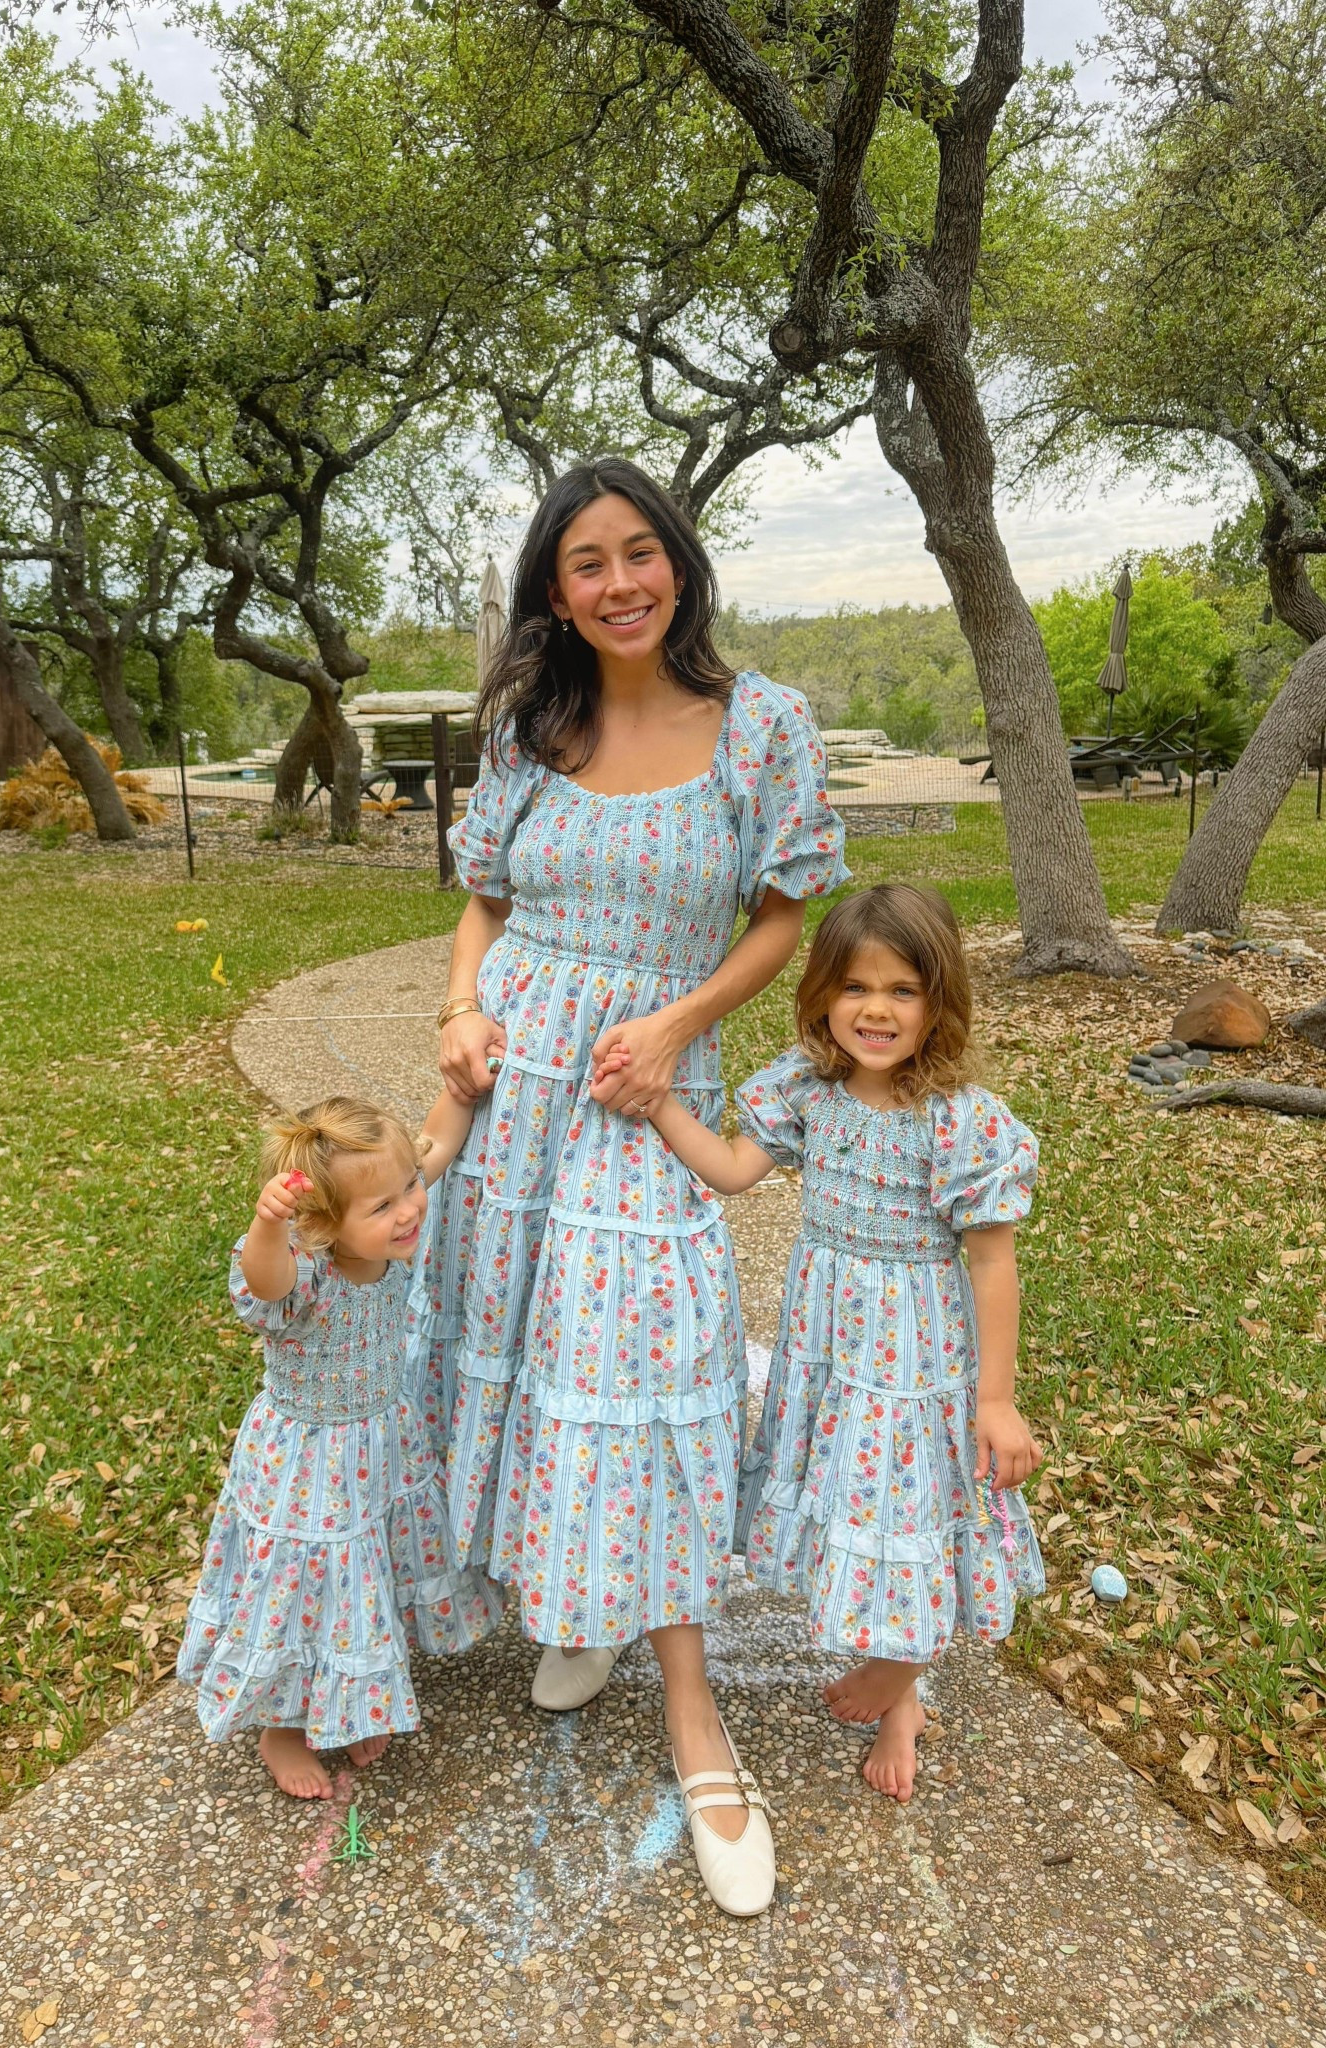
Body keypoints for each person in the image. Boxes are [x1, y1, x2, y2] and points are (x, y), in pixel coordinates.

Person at [409, 456, 847, 1914]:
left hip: (647, 1094)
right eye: (584, 562)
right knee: (536, 1357)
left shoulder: (762, 726)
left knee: (646, 1369)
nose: (617, 583)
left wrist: (676, 1027)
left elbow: (787, 914)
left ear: (682, 564)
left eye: (639, 552)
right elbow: (486, 899)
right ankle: (580, 1602)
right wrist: (462, 1011)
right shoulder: (534, 731)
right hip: (518, 1084)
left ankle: (695, 1717)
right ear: (555, 589)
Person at [608, 881, 1044, 1804]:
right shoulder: (809, 1089)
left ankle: (897, 1687)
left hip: (913, 1359)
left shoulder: (960, 1121)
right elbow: (731, 1170)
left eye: (902, 990)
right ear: (822, 995)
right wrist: (656, 1108)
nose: (876, 1010)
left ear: (940, 1000)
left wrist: (994, 1399)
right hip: (828, 1344)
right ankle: (901, 1690)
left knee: (906, 1514)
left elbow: (993, 1265)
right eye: (854, 987)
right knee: (853, 1505)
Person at [178, 1092, 503, 1800]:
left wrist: (458, 1091)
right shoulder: (307, 1276)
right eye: (383, 1206)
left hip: (382, 1448)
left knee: (366, 1579)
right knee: (305, 1588)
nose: (410, 1209)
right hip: (309, 1467)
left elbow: (437, 1145)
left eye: (409, 1189)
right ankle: (282, 1728)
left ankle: (354, 1700)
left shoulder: (392, 1236)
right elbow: (264, 1282)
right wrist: (269, 1225)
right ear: (319, 1227)